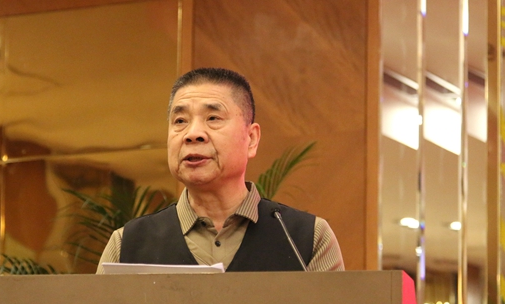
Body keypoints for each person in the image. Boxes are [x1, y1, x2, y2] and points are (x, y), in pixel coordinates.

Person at [97, 67, 344, 272]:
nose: (193, 134)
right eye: (180, 121)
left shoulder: (307, 238)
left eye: (213, 118)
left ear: (251, 139)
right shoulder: (126, 245)